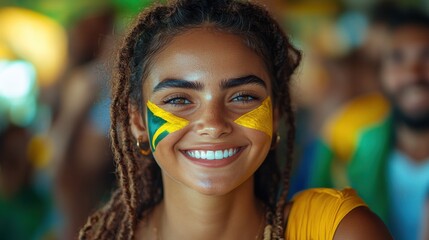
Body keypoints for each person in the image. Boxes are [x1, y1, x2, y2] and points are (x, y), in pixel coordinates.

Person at [79, 1, 391, 239]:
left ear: (276, 112)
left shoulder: (336, 231)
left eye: (242, 97)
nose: (213, 125)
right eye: (178, 100)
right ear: (137, 120)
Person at [302, 8, 429, 240]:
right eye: (398, 58)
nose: (413, 73)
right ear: (382, 72)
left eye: (427, 56)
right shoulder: (348, 143)